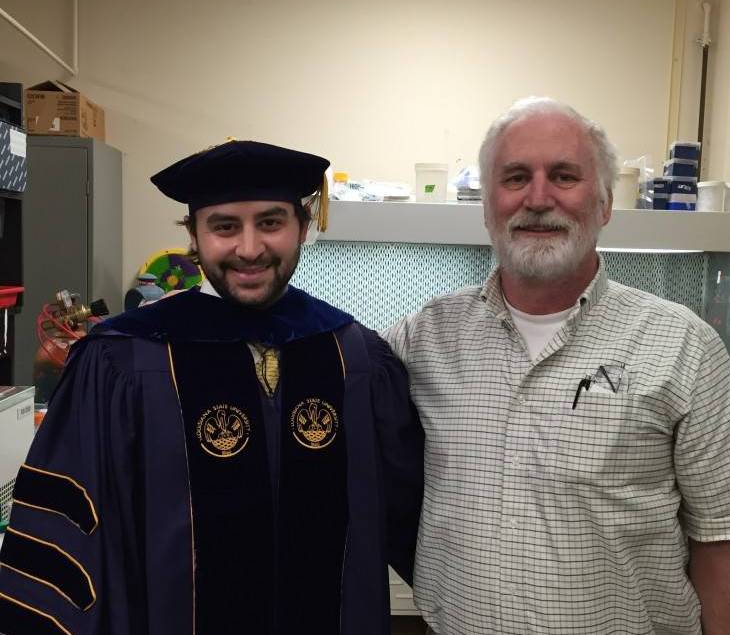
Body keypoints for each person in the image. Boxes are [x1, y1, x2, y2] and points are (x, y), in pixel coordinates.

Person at [0, 140, 424, 635]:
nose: (249, 248)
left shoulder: (353, 355)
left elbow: (414, 512)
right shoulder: (122, 359)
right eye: (225, 226)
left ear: (303, 229)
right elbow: (69, 532)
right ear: (194, 238)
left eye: (271, 222)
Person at [384, 97, 730, 634]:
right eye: (515, 177)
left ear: (606, 203)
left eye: (564, 176)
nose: (538, 198)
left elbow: (726, 535)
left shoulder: (683, 346)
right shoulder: (424, 338)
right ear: (488, 205)